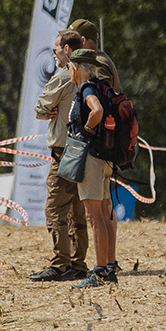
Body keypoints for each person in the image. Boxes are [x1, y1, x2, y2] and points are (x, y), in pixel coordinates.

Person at [31, 30, 91, 282]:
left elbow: (40, 108)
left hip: (63, 153)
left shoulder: (61, 77)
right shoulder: (92, 73)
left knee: (55, 210)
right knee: (78, 211)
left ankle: (60, 264)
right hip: (86, 150)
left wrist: (49, 110)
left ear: (66, 50)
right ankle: (78, 263)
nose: (53, 54)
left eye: (55, 50)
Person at [66, 47, 124, 287]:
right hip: (105, 158)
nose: (69, 71)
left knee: (94, 216)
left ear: (77, 67)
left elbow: (97, 111)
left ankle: (99, 271)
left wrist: (87, 130)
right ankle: (109, 266)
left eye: (70, 66)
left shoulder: (87, 88)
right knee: (103, 212)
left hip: (90, 157)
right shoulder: (103, 86)